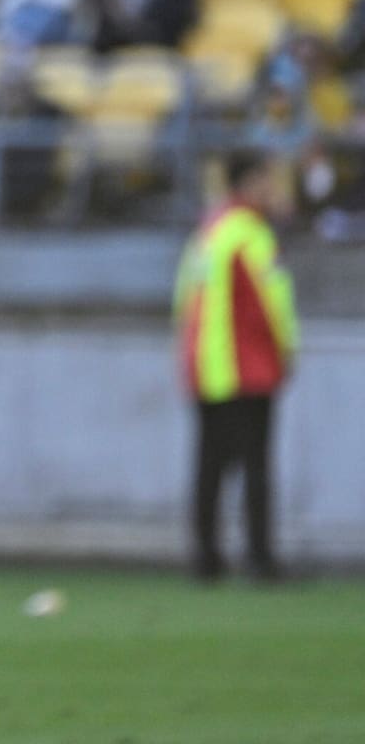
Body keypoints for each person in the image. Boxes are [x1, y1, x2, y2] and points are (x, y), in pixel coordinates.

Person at [173, 151, 299, 582]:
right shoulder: (251, 234)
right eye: (268, 180)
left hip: (206, 366)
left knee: (210, 466)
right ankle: (260, 559)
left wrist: (192, 357)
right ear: (251, 181)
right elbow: (273, 303)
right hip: (249, 367)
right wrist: (287, 351)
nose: (274, 190)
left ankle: (206, 559)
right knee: (255, 468)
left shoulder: (207, 233)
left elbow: (183, 300)